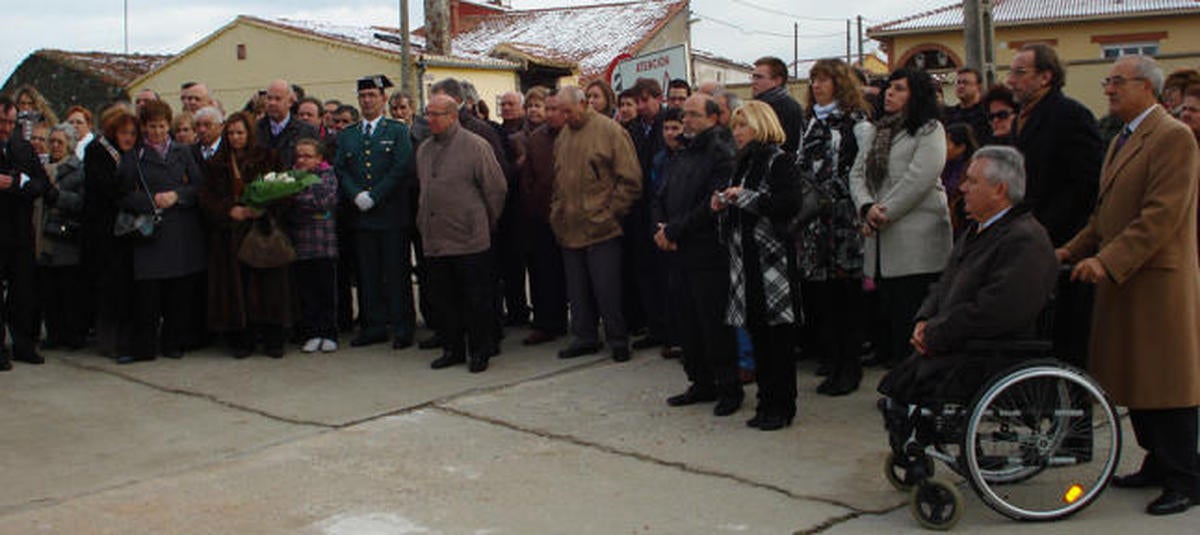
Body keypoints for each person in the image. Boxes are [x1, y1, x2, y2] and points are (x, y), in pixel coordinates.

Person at [1058, 55, 1200, 516]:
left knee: (1168, 383)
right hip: (1124, 278)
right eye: (1108, 81)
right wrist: (1071, 250)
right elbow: (1105, 216)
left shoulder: (1173, 137)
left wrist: (1107, 261)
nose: (1110, 89)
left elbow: (1161, 216)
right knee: (1136, 379)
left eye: (1118, 82)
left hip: (1156, 280)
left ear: (1147, 87)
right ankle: (1156, 463)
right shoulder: (1121, 138)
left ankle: (1186, 477)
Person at [878, 145, 1058, 405]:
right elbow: (943, 285)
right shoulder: (978, 232)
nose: (962, 188)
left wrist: (936, 333)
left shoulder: (1024, 240)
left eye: (972, 182)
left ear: (999, 190)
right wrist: (924, 319)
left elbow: (996, 310)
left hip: (988, 352)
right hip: (956, 342)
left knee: (911, 388)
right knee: (896, 391)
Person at [1008, 43, 1104, 369]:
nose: (1011, 81)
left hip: (1062, 242)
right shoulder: (1020, 119)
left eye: (1020, 73)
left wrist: (1048, 230)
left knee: (1067, 339)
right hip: (1026, 239)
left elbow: (1085, 186)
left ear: (1046, 77)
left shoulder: (1071, 116)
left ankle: (1075, 410)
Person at [849, 68, 952, 369]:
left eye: (899, 88)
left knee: (914, 319)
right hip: (883, 242)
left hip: (917, 244)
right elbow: (857, 174)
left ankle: (918, 390)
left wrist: (883, 212)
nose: (889, 93)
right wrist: (866, 206)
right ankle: (900, 385)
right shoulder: (878, 130)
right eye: (889, 88)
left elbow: (919, 178)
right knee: (892, 320)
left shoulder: (929, 129)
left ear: (916, 94)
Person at [712, 101, 799, 430]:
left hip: (771, 263)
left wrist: (744, 198)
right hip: (744, 260)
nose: (736, 133)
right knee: (759, 335)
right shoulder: (742, 163)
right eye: (734, 127)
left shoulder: (779, 160)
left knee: (778, 337)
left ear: (760, 126)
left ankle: (782, 405)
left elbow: (788, 204)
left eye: (742, 126)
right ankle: (765, 402)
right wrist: (723, 202)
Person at [655, 94, 741, 415]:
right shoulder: (682, 152)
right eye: (684, 115)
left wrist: (675, 231)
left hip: (706, 249)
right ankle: (700, 382)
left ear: (713, 118)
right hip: (676, 247)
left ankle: (728, 387)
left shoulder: (721, 152)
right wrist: (661, 228)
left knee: (713, 322)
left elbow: (712, 204)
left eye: (693, 115)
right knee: (686, 321)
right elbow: (660, 194)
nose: (686, 121)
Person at [796, 58, 872, 396]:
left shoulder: (857, 123)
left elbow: (861, 172)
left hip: (844, 222)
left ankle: (850, 367)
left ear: (840, 84)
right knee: (825, 299)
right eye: (813, 80)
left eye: (824, 79)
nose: (817, 85)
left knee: (848, 300)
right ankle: (833, 362)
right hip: (816, 223)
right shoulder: (810, 123)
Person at [416, 95, 507, 373]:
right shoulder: (424, 149)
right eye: (427, 113)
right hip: (436, 237)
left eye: (436, 114)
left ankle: (479, 351)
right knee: (445, 299)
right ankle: (452, 348)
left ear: (452, 116)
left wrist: (482, 220)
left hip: (469, 237)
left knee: (475, 299)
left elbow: (496, 189)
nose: (429, 119)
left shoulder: (476, 146)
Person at [551, 86, 642, 363]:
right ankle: (584, 337)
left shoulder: (610, 131)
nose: (564, 117)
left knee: (608, 289)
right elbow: (558, 180)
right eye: (560, 111)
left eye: (568, 111)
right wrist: (556, 213)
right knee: (577, 291)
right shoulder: (564, 136)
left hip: (602, 227)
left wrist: (611, 213)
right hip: (570, 226)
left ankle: (617, 339)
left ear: (583, 104)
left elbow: (630, 179)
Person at [336, 74, 417, 350]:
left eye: (373, 95)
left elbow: (401, 167)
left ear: (383, 99)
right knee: (367, 274)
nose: (367, 100)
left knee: (396, 273)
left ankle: (402, 326)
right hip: (362, 216)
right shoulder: (349, 134)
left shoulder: (397, 131)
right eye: (363, 96)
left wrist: (375, 195)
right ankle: (374, 326)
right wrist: (355, 194)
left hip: (391, 215)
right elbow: (341, 169)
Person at [200, 112, 290, 358]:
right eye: (231, 133)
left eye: (240, 133)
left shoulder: (268, 157)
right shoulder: (216, 163)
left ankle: (273, 338)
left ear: (249, 133)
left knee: (268, 287)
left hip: (262, 231)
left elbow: (284, 190)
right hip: (231, 236)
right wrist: (230, 209)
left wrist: (260, 208)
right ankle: (242, 338)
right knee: (237, 289)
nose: (235, 138)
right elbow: (207, 199)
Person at [124, 100, 207, 364]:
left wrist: (177, 196)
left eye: (161, 126)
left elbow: (198, 187)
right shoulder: (134, 155)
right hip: (150, 230)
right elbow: (124, 192)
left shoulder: (184, 153)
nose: (158, 132)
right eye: (152, 127)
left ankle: (174, 343)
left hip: (180, 230)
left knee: (178, 293)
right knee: (147, 295)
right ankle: (145, 346)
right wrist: (151, 201)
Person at [83, 106, 140, 359]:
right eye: (123, 132)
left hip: (126, 231)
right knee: (108, 288)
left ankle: (125, 339)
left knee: (125, 289)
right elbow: (106, 189)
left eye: (132, 133)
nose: (128, 138)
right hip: (103, 231)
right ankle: (109, 341)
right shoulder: (98, 152)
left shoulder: (130, 155)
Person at [0, 95, 50, 370]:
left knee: (23, 292)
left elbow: (42, 183)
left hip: (19, 231)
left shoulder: (23, 148)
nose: (6, 128)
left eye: (10, 122)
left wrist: (20, 184)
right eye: (1, 121)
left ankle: (24, 344)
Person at [514, 89, 568, 346]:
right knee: (543, 273)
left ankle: (581, 323)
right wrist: (534, 206)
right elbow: (528, 179)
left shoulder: (575, 134)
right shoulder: (536, 139)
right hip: (542, 217)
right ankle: (546, 323)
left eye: (553, 109)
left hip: (573, 216)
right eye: (547, 109)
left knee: (572, 274)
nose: (548, 114)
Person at [624, 77, 669, 350]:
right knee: (645, 273)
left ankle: (670, 331)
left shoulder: (667, 126)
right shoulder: (632, 129)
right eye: (637, 101)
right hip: (638, 208)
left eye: (645, 100)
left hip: (662, 207)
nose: (640, 106)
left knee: (665, 276)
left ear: (657, 98)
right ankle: (654, 327)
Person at [37, 123, 88, 350]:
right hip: (44, 237)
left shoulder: (78, 170)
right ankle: (54, 333)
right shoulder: (43, 168)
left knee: (69, 291)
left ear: (70, 144)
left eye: (60, 142)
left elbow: (81, 202)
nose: (55, 146)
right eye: (53, 141)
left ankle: (73, 334)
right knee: (49, 292)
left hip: (66, 237)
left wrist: (57, 196)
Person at [289, 138, 340, 353]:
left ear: (319, 158)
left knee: (325, 290)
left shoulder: (327, 175)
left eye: (308, 156)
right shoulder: (290, 176)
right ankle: (312, 332)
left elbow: (324, 201)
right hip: (301, 243)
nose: (302, 160)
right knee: (306, 291)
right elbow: (285, 199)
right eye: (299, 156)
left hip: (323, 243)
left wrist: (298, 196)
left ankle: (329, 332)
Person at [257, 79, 318, 170]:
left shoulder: (306, 131)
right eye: (269, 98)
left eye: (278, 99)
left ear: (290, 102)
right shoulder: (255, 129)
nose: (272, 103)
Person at [751, 56, 805, 153]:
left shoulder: (788, 108)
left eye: (759, 77)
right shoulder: (758, 105)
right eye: (753, 77)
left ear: (777, 81)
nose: (753, 82)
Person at [942, 123, 978, 234]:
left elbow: (952, 189)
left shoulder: (971, 168)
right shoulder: (945, 163)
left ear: (961, 147)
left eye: (948, 142)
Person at [942, 67, 989, 141]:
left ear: (978, 87)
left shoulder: (986, 112)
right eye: (958, 82)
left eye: (966, 83)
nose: (961, 86)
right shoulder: (949, 114)